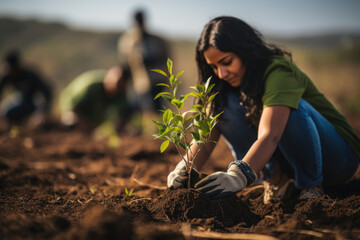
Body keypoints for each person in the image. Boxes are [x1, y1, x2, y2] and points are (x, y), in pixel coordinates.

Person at [167, 16, 360, 204]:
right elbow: (206, 139)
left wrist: (238, 175)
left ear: (245, 52)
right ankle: (277, 182)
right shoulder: (226, 83)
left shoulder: (278, 71)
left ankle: (312, 186)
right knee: (221, 104)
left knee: (292, 107)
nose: (221, 73)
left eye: (226, 62)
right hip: (290, 159)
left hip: (338, 159)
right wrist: (184, 169)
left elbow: (270, 135)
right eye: (214, 67)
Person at [118, 9, 170, 134]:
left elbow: (167, 57)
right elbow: (125, 62)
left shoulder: (157, 40)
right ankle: (149, 134)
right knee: (145, 108)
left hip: (158, 80)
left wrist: (167, 76)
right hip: (141, 82)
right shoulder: (128, 41)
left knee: (158, 109)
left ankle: (160, 135)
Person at [59, 66, 132, 135]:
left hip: (93, 120)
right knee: (71, 121)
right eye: (117, 84)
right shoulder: (90, 85)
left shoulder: (121, 94)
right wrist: (83, 124)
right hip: (72, 109)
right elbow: (72, 106)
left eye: (121, 86)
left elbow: (124, 113)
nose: (118, 89)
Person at [0, 49, 52, 126]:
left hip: (34, 103)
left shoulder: (30, 75)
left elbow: (47, 91)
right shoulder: (7, 76)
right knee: (6, 110)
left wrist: (43, 112)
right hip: (20, 101)